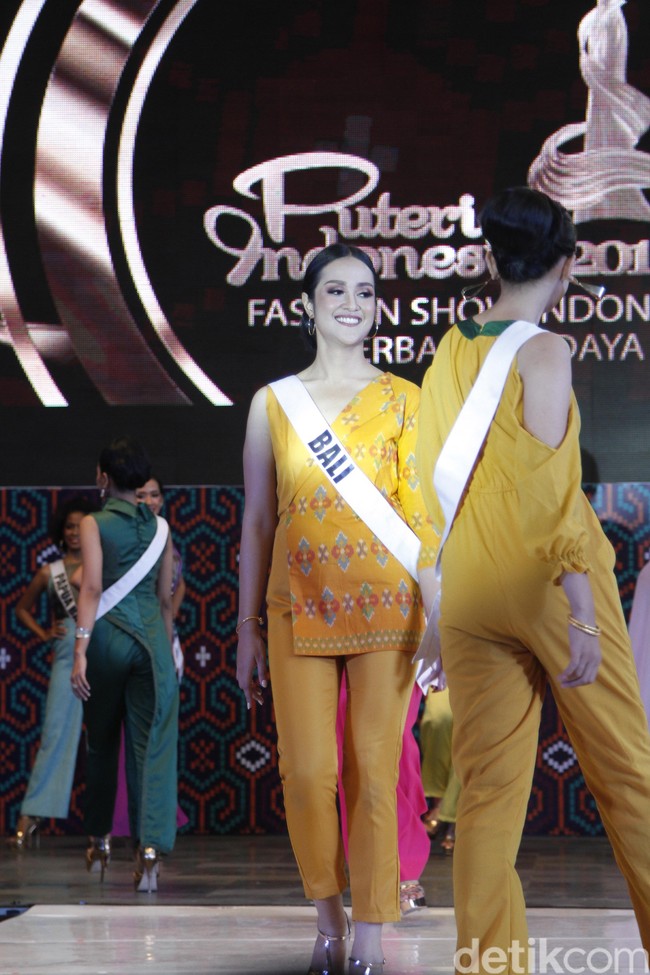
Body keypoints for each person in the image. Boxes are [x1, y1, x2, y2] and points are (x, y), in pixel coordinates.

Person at [416, 186, 650, 972]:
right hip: (548, 584)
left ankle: (490, 966)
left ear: (489, 256)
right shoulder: (546, 350)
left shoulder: (448, 350)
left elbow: (427, 484)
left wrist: (434, 606)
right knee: (627, 774)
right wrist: (581, 606)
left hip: (472, 591)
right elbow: (553, 489)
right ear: (568, 263)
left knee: (485, 796)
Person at [236, 242, 438, 975]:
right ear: (309, 305)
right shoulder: (273, 403)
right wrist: (244, 627)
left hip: (390, 611)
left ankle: (375, 930)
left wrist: (441, 611)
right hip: (295, 608)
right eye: (335, 291)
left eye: (365, 291)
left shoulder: (407, 400)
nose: (352, 303)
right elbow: (258, 521)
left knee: (376, 770)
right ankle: (328, 916)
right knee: (309, 771)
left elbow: (422, 516)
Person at [70, 437, 179, 892]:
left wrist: (79, 648)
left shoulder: (94, 524)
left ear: (102, 477)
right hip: (152, 645)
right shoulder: (161, 528)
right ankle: (149, 850)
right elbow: (163, 596)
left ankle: (99, 841)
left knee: (100, 743)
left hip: (107, 641)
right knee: (151, 747)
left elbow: (91, 587)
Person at [9, 497, 95, 849]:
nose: (75, 532)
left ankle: (110, 821)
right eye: (70, 527)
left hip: (99, 650)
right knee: (56, 732)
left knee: (106, 738)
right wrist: (45, 633)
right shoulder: (51, 572)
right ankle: (32, 814)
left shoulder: (98, 566)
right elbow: (21, 610)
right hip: (65, 655)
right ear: (62, 532)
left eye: (80, 526)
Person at [110, 476, 188, 838]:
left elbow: (175, 590)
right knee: (131, 732)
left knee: (159, 730)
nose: (150, 500)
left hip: (163, 640)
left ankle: (159, 816)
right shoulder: (124, 540)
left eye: (155, 493)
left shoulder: (165, 540)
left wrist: (167, 627)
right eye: (141, 494)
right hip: (128, 642)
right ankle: (130, 819)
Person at [336, 682, 431, 915]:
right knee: (349, 741)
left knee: (394, 741)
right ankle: (374, 867)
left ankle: (403, 866)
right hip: (326, 647)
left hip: (400, 648)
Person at [419, 686, 459, 853]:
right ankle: (442, 805)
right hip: (443, 664)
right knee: (437, 719)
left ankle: (450, 814)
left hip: (486, 667)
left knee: (471, 734)